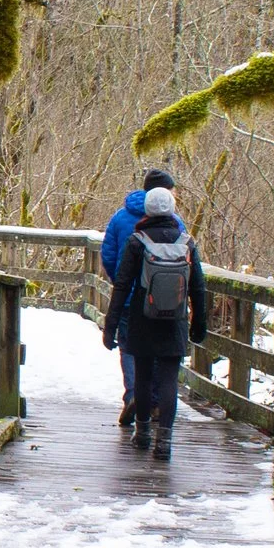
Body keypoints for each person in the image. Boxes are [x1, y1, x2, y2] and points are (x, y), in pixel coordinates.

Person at [103, 186, 207, 460]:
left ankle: (143, 434)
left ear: (148, 209)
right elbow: (198, 287)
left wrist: (110, 325)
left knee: (145, 375)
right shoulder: (186, 241)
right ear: (172, 208)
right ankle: (165, 442)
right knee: (169, 380)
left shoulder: (137, 241)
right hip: (175, 320)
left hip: (142, 318)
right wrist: (199, 324)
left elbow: (122, 285)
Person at [98, 168, 181, 426]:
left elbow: (109, 255)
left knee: (129, 347)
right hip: (165, 301)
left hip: (130, 297)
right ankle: (154, 403)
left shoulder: (120, 217)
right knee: (158, 352)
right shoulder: (176, 223)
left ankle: (134, 395)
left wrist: (121, 281)